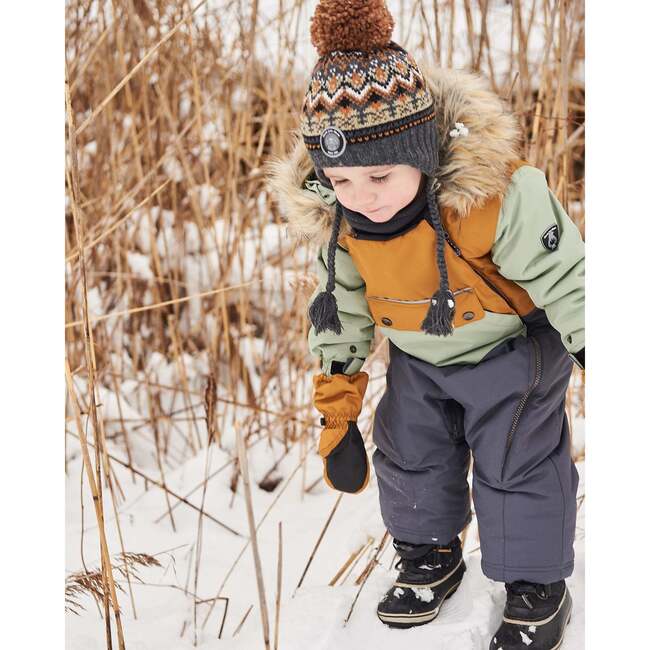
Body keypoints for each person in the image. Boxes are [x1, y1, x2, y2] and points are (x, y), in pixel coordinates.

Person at [265, 1, 584, 648]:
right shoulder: (343, 225)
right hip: (420, 357)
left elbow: (569, 279)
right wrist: (337, 407)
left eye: (380, 174)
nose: (363, 195)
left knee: (516, 461)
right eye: (342, 179)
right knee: (407, 450)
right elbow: (341, 312)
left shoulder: (494, 200)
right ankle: (428, 555)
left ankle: (535, 585)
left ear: (420, 152)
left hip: (513, 351)